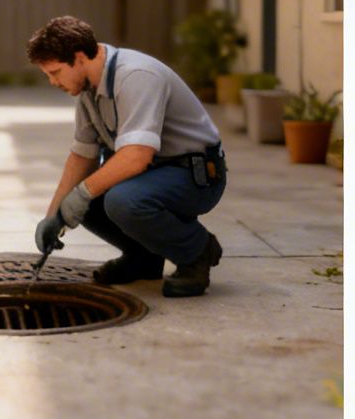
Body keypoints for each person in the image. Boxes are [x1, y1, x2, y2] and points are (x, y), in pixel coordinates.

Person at [27, 16, 228, 298]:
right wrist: (54, 215)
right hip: (154, 173)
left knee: (122, 200)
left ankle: (197, 250)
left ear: (80, 57)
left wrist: (82, 193)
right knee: (83, 198)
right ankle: (144, 259)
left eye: (56, 72)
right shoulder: (89, 90)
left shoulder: (136, 76)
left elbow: (137, 156)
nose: (52, 81)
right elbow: (81, 157)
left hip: (195, 176)